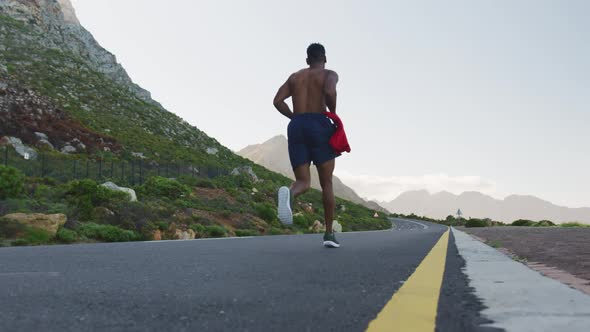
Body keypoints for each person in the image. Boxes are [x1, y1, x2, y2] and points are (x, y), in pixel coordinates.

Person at [273, 43, 341, 248]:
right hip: (319, 123)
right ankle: (329, 234)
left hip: (296, 126)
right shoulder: (330, 74)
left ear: (307, 60)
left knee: (303, 181)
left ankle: (291, 193)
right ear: (325, 58)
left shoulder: (295, 77)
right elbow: (329, 92)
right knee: (326, 182)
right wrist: (333, 114)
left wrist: (295, 117)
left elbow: (277, 101)